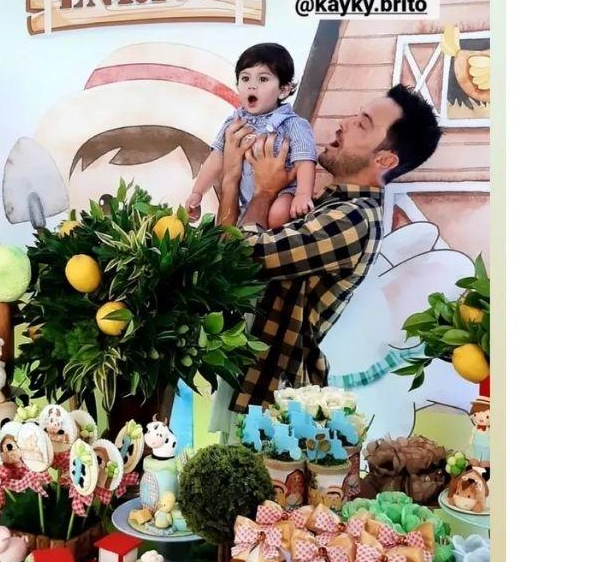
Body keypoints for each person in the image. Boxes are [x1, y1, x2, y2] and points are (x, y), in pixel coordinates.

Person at [217, 84, 442, 412]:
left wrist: (255, 188)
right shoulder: (329, 205)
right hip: (258, 385)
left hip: (270, 398)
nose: (344, 123)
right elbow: (235, 256)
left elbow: (237, 257)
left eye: (362, 124)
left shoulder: (352, 219)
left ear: (384, 159)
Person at [187, 43, 317, 229]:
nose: (252, 86)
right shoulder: (233, 122)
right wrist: (197, 192)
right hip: (245, 200)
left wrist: (303, 194)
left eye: (263, 79)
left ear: (283, 90)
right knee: (229, 228)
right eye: (245, 78)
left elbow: (304, 160)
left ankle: (273, 235)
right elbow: (216, 157)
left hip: (283, 193)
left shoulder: (293, 124)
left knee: (278, 213)